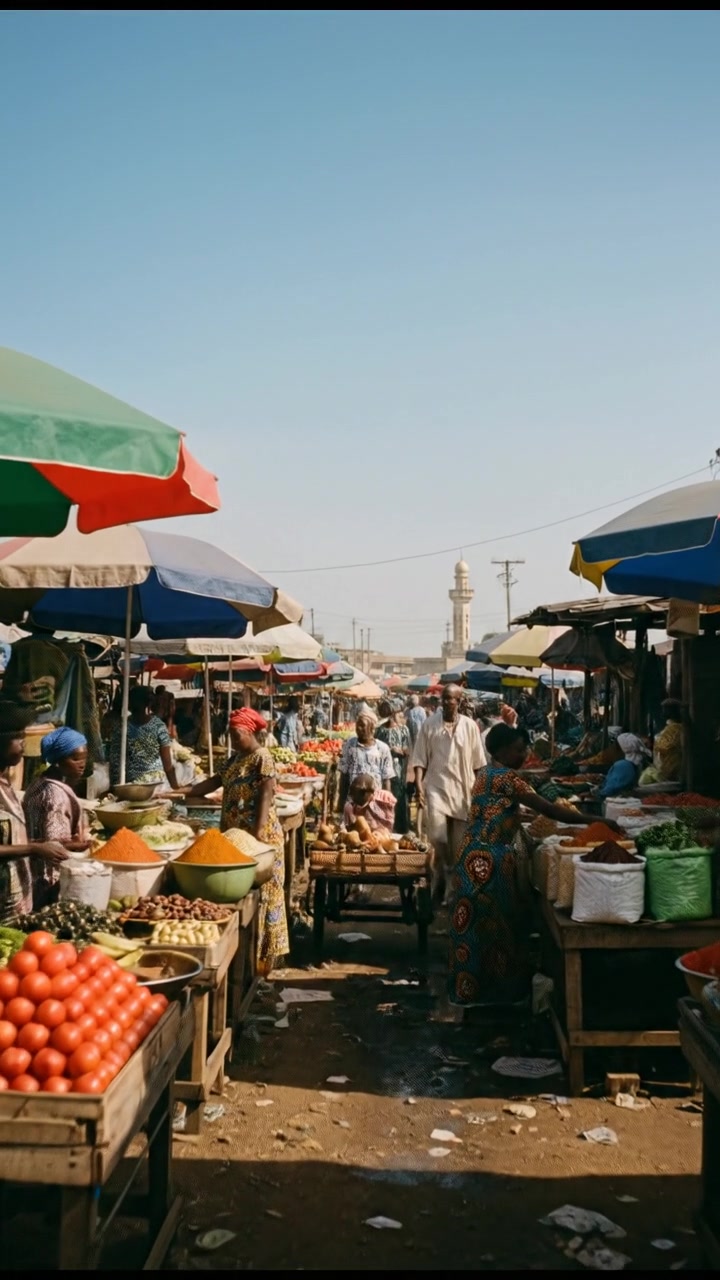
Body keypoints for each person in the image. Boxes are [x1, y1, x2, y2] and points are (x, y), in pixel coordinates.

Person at [448, 723, 618, 1008]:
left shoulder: (486, 774)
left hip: (471, 854)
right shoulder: (506, 778)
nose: (524, 754)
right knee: (500, 927)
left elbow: (500, 811)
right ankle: (501, 995)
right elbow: (549, 809)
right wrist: (597, 821)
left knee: (476, 927)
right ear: (502, 750)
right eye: (519, 749)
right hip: (492, 861)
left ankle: (470, 992)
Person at [185, 708, 289, 974]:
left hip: (260, 840)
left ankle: (265, 962)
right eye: (230, 735)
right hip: (235, 838)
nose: (232, 740)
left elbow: (266, 793)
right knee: (242, 895)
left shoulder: (262, 757)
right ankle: (243, 959)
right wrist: (180, 791)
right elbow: (212, 783)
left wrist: (258, 831)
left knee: (266, 896)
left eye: (236, 735)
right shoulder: (234, 760)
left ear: (250, 732)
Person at [412, 684, 486, 904]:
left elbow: (478, 763)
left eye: (450, 699)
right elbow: (419, 758)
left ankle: (449, 889)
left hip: (463, 790)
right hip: (436, 787)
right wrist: (418, 783)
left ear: (459, 702)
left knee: (459, 845)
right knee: (437, 836)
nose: (445, 702)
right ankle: (445, 869)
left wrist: (480, 791)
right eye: (443, 698)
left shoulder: (470, 727)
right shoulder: (429, 725)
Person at [0, 703, 69, 922]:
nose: (23, 743)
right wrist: (35, 848)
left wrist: (44, 846)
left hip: (16, 892)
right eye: (17, 738)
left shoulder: (6, 783)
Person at [23, 727, 91, 907]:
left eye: (84, 758)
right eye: (75, 759)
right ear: (57, 761)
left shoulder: (38, 783)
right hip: (50, 878)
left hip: (32, 873)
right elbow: (54, 845)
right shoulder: (55, 796)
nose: (82, 764)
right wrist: (83, 844)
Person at [109, 686, 180, 790]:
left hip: (131, 785)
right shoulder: (158, 726)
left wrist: (115, 788)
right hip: (156, 784)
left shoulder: (122, 727)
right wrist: (176, 788)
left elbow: (115, 761)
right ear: (149, 703)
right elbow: (168, 765)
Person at [339, 712, 395, 807]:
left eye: (362, 725)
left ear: (372, 727)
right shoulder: (350, 745)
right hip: (353, 802)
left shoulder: (382, 748)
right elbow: (344, 775)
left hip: (375, 803)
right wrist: (341, 801)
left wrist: (387, 802)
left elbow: (386, 779)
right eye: (357, 725)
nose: (358, 728)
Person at [375, 700, 410, 832]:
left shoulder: (403, 730)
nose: (397, 716)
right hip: (383, 770)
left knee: (399, 797)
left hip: (399, 770)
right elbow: (376, 748)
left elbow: (407, 750)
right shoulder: (380, 730)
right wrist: (389, 750)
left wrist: (401, 751)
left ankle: (400, 828)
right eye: (395, 713)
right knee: (384, 796)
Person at [598, 732, 650, 798]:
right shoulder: (637, 763)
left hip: (618, 801)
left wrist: (599, 793)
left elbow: (610, 788)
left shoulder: (623, 765)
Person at [652, 699, 684, 783]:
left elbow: (665, 746)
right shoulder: (671, 727)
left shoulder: (675, 728)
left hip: (672, 766)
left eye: (665, 709)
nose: (662, 712)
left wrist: (657, 741)